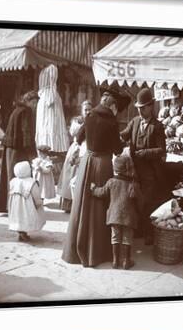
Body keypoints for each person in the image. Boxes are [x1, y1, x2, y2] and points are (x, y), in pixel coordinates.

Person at [61, 92, 124, 267]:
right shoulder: (111, 122)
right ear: (112, 106)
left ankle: (75, 250)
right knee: (99, 205)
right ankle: (96, 251)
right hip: (103, 164)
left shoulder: (89, 116)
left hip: (87, 162)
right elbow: (117, 150)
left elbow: (78, 137)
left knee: (82, 204)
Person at [120, 88, 166, 244]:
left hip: (150, 172)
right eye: (138, 108)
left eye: (143, 108)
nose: (140, 111)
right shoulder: (134, 122)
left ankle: (148, 233)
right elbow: (123, 135)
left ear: (151, 106)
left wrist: (145, 153)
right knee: (134, 200)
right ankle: (138, 230)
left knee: (147, 202)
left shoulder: (158, 126)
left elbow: (161, 150)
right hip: (134, 170)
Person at [90, 155, 142, 269]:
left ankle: (115, 261)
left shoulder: (111, 182)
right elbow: (140, 202)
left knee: (115, 237)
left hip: (114, 216)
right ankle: (126, 261)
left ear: (115, 169)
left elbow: (101, 193)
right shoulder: (134, 184)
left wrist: (93, 188)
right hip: (129, 217)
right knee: (127, 238)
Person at [0, 91, 39, 213]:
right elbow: (26, 132)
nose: (35, 105)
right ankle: (16, 208)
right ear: (28, 101)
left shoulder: (17, 110)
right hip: (19, 149)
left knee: (9, 177)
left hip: (10, 148)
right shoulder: (26, 111)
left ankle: (8, 205)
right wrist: (32, 154)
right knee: (20, 178)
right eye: (34, 102)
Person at [57, 100, 93, 212]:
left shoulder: (93, 120)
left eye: (89, 109)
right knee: (70, 173)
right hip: (77, 147)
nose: (87, 112)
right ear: (81, 110)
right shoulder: (77, 121)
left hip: (86, 147)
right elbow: (74, 134)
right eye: (85, 109)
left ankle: (78, 202)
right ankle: (68, 203)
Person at [8, 161, 46, 241]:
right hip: (28, 205)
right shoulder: (31, 182)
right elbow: (36, 194)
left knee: (18, 218)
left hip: (16, 205)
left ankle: (21, 232)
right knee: (26, 218)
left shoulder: (13, 181)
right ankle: (23, 233)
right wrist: (38, 203)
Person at [35, 64, 69, 153]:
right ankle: (51, 148)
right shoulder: (51, 95)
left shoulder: (46, 95)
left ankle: (49, 147)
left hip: (46, 109)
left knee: (48, 126)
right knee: (50, 125)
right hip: (50, 125)